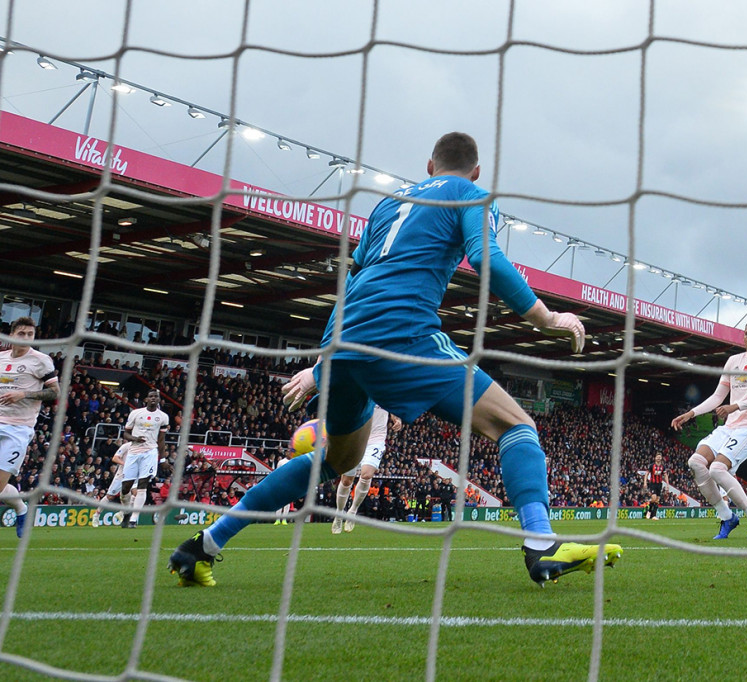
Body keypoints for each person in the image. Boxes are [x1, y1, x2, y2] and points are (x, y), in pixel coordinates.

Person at [169, 132, 622, 587]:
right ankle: (541, 543)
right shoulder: (470, 194)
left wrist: (322, 365)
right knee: (516, 425)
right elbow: (486, 259)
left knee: (337, 460)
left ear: (428, 165)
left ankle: (203, 545)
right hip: (403, 333)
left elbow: (356, 282)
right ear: (478, 171)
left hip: (345, 340)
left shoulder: (387, 205)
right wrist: (545, 316)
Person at [671, 319, 747, 540]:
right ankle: (726, 516)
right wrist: (691, 413)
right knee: (696, 463)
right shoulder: (733, 361)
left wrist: (735, 406)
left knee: (717, 469)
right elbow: (718, 396)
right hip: (729, 427)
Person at [0, 317, 58, 538]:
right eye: (22, 333)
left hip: (18, 429)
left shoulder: (41, 361)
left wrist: (24, 394)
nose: (26, 338)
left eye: (30, 335)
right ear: (12, 334)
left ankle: (21, 510)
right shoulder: (1, 358)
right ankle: (22, 509)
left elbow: (55, 393)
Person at [331, 406, 402, 533]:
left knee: (367, 475)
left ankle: (352, 511)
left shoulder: (385, 389)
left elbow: (392, 406)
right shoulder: (357, 387)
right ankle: (339, 514)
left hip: (376, 439)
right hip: (354, 438)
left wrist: (397, 419)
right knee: (347, 480)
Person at [120, 389, 168, 529]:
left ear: (159, 399)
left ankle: (134, 519)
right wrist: (135, 439)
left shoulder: (163, 417)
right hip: (134, 451)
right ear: (146, 399)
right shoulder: (136, 413)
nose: (153, 398)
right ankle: (127, 512)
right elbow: (126, 434)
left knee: (142, 484)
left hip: (150, 452)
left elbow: (161, 439)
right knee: (125, 488)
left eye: (156, 397)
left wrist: (163, 459)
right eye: (151, 396)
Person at [92, 439, 134, 527]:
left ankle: (122, 512)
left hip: (134, 475)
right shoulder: (127, 446)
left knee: (136, 494)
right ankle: (96, 515)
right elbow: (115, 458)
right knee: (110, 496)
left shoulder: (143, 448)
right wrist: (125, 464)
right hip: (122, 474)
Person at [644, 453, 666, 520]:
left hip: (659, 484)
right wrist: (645, 482)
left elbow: (665, 475)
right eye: (657, 457)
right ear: (655, 458)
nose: (659, 458)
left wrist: (667, 484)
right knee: (653, 498)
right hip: (653, 483)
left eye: (660, 457)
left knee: (657, 500)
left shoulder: (663, 467)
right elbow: (647, 474)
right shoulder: (651, 466)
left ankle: (653, 515)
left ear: (661, 458)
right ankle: (649, 511)